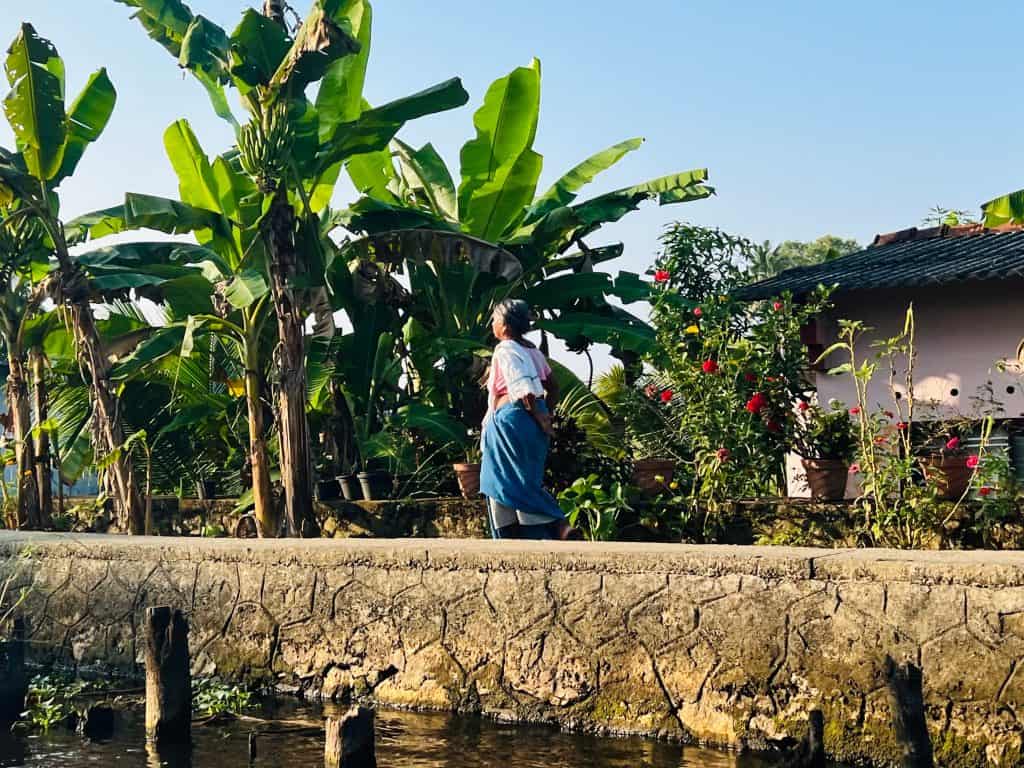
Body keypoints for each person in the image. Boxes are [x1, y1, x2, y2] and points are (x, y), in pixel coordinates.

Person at [479, 299, 573, 540]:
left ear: (506, 327)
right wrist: (545, 414)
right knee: (523, 478)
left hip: (512, 421)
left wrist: (539, 416)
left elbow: (522, 387)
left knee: (499, 480)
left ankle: (556, 523)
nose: (492, 325)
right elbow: (553, 386)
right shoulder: (532, 351)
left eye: (495, 320)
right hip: (530, 421)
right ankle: (541, 532)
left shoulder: (506, 348)